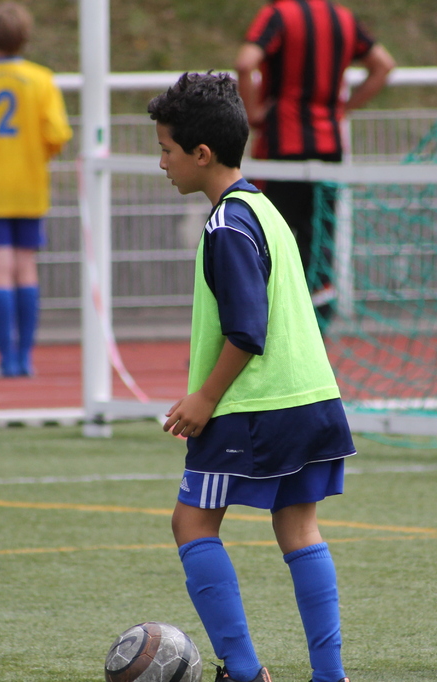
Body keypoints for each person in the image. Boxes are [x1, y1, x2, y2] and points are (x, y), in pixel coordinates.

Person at [148, 72, 357, 682]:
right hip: (312, 398)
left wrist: (203, 398)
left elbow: (247, 328)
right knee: (298, 526)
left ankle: (243, 671)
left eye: (166, 149)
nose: (162, 163)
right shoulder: (264, 209)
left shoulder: (226, 226)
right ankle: (329, 675)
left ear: (201, 153)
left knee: (191, 522)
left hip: (254, 407)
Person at [234, 0, 395, 329]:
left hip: (281, 150)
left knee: (267, 238)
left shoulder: (279, 15)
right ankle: (317, 332)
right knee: (319, 243)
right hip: (328, 149)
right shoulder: (343, 18)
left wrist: (253, 114)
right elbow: (384, 65)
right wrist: (343, 109)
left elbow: (245, 62)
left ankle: (259, 328)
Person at [0, 1, 72, 378]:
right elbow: (57, 134)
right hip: (29, 186)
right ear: (26, 37)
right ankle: (25, 358)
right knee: (26, 269)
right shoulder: (41, 79)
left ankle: (6, 359)